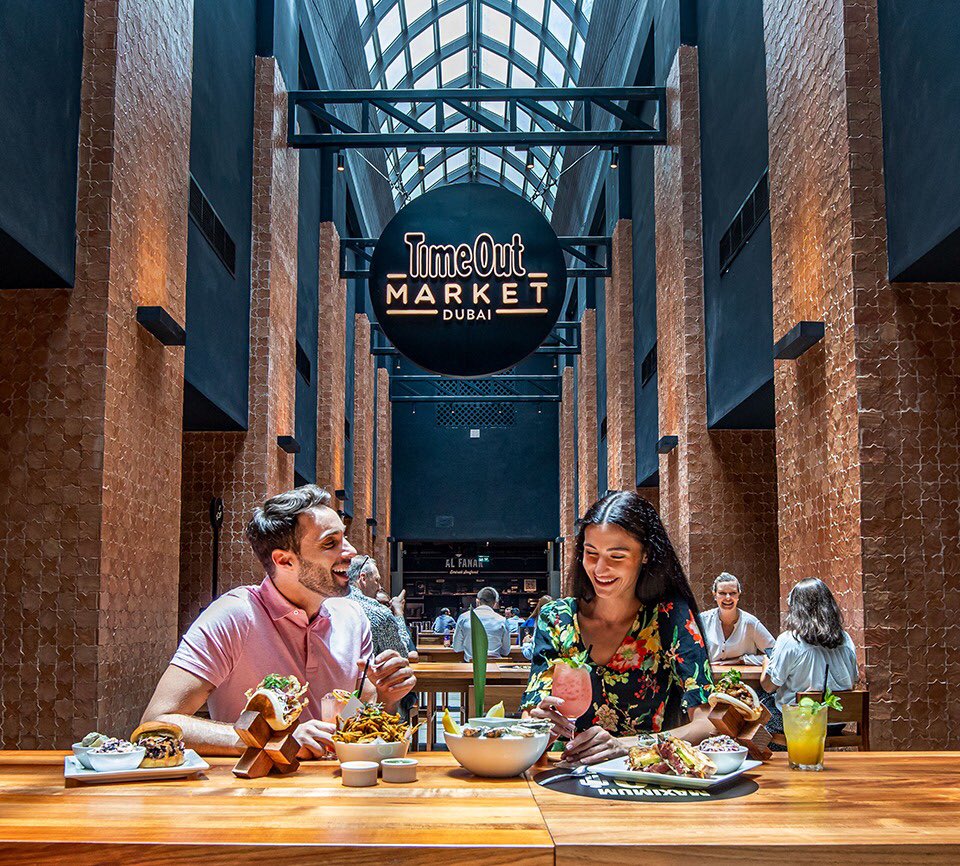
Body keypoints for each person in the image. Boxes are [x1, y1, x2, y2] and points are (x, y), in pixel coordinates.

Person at [141, 485, 416, 757]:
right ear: (284, 561)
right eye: (330, 543)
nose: (351, 551)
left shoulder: (353, 617)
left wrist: (387, 696)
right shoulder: (234, 615)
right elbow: (156, 724)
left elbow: (359, 717)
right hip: (254, 784)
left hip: (336, 781)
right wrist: (273, 739)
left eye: (344, 538)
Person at [520, 491, 714, 766]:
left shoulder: (667, 617)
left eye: (617, 556)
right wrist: (538, 729)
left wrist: (625, 746)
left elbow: (707, 723)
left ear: (645, 555)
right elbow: (532, 714)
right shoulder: (557, 618)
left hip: (642, 776)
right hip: (563, 775)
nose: (600, 569)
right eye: (591, 553)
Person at [760, 578, 858, 736]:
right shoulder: (845, 639)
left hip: (800, 723)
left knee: (756, 704)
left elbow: (769, 686)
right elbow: (852, 682)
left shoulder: (790, 640)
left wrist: (767, 663)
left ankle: (775, 749)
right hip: (835, 724)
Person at [347, 555, 418, 717]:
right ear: (363, 578)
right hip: (366, 703)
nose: (379, 587)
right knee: (403, 694)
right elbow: (401, 654)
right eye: (377, 580)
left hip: (330, 699)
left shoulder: (328, 604)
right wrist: (398, 614)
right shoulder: (377, 612)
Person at [701, 572, 775, 665]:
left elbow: (775, 654)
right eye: (722, 593)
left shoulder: (750, 623)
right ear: (714, 595)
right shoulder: (702, 621)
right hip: (709, 674)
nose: (728, 598)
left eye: (733, 593)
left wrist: (742, 660)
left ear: (738, 595)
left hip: (743, 675)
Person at [452, 587, 511, 661]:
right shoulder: (502, 620)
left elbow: (457, 648)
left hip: (471, 665)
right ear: (495, 602)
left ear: (478, 601)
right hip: (495, 664)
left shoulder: (464, 617)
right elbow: (506, 651)